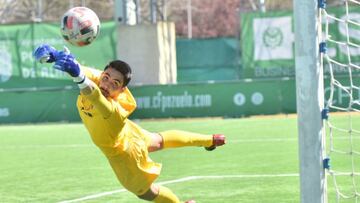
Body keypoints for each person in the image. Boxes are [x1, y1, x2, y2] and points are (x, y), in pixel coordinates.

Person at [33, 44, 226, 203]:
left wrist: (77, 75)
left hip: (124, 155)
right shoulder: (100, 79)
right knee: (159, 140)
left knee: (147, 192)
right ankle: (210, 140)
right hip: (131, 134)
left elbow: (95, 96)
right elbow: (81, 71)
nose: (107, 84)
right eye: (106, 78)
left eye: (114, 84)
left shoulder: (114, 111)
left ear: (122, 90)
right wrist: (54, 56)